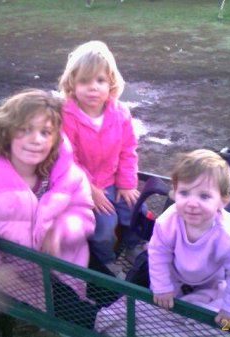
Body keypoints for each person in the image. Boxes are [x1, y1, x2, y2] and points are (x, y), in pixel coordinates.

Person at [0, 88, 96, 309]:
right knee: (75, 317)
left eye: (45, 132)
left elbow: (82, 212)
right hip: (17, 277)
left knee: (95, 308)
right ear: (7, 131)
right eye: (25, 129)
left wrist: (61, 231)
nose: (36, 140)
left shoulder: (67, 174)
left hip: (66, 264)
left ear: (55, 138)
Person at [148, 149, 230, 324]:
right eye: (184, 193)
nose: (192, 203)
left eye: (204, 196)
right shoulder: (167, 222)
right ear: (174, 192)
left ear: (223, 201)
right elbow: (158, 254)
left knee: (226, 310)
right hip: (176, 273)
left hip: (212, 278)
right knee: (160, 309)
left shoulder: (227, 234)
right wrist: (162, 286)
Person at [58, 40, 144, 277]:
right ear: (72, 85)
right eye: (84, 81)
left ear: (111, 83)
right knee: (105, 224)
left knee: (137, 207)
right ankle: (106, 259)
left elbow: (128, 149)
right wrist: (90, 189)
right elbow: (67, 159)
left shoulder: (120, 113)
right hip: (85, 184)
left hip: (113, 178)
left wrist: (127, 184)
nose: (93, 87)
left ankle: (134, 246)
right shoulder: (68, 115)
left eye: (100, 80)